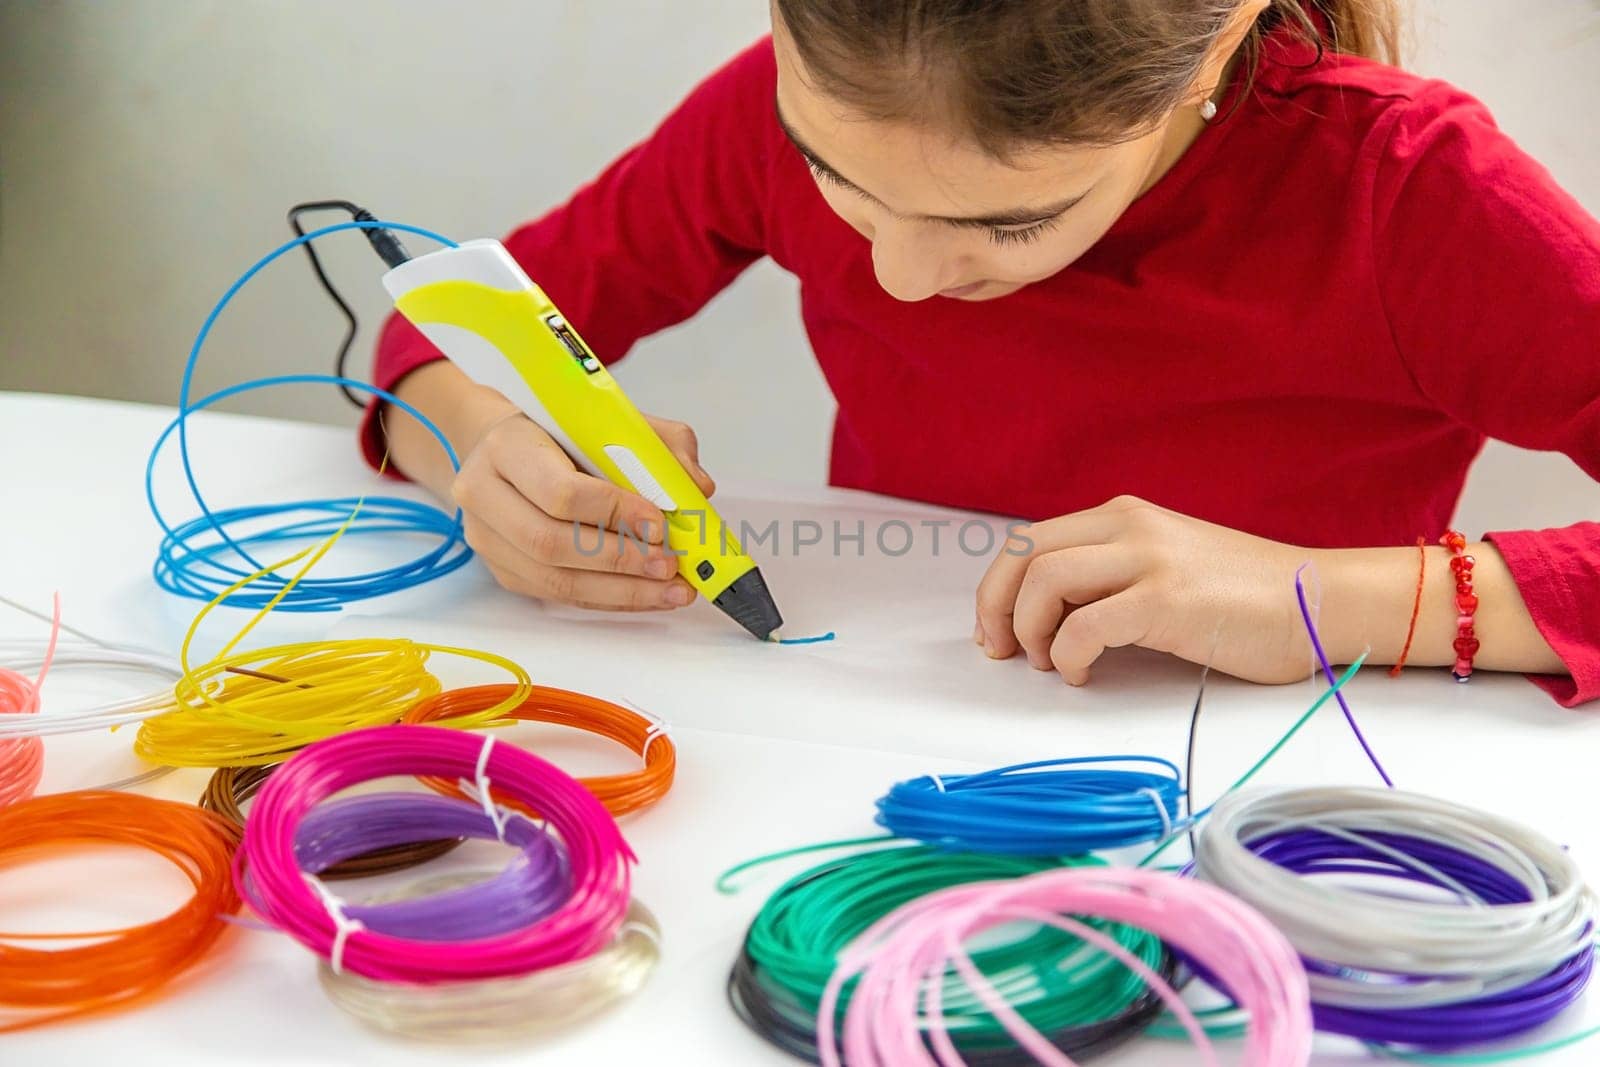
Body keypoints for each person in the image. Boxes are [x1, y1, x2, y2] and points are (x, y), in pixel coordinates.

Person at [362, 0, 1600, 705]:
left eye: (1007, 222)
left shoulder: (1412, 200)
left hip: (1271, 789)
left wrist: (1322, 602)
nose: (897, 278)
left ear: (1207, 61)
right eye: (829, 175)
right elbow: (440, 330)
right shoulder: (780, 102)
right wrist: (485, 452)